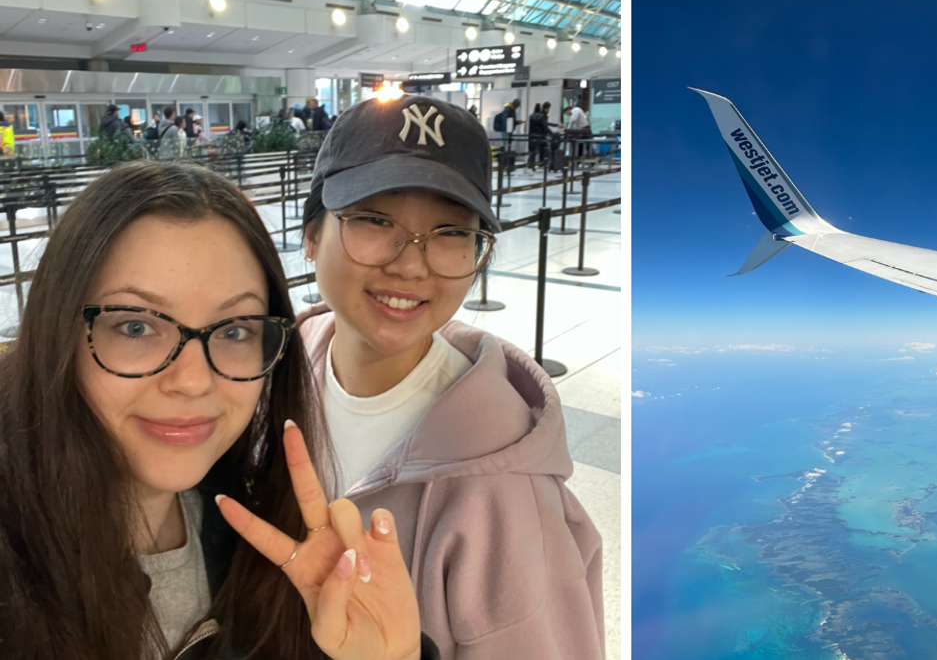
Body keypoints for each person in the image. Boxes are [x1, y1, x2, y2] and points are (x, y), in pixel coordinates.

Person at [0, 160, 436, 660]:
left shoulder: (267, 545)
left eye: (234, 331)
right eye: (136, 327)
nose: (193, 381)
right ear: (58, 332)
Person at [299, 95, 605, 659]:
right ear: (310, 235)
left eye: (449, 233)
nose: (410, 264)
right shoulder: (267, 377)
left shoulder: (505, 501)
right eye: (375, 220)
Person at [526, 103, 547, 168]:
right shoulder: (541, 116)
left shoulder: (530, 116)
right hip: (539, 135)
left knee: (532, 150)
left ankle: (531, 163)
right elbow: (544, 126)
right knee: (542, 149)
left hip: (531, 135)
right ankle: (541, 163)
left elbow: (527, 126)